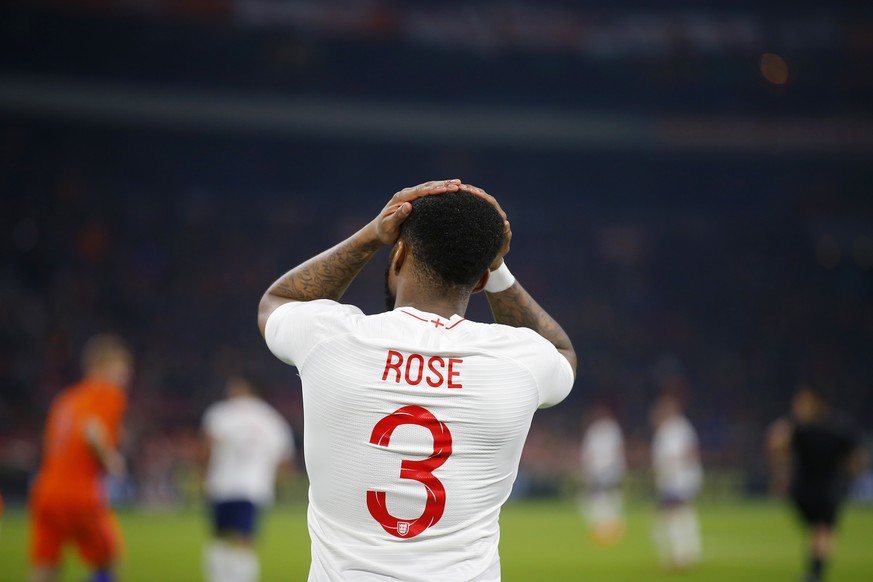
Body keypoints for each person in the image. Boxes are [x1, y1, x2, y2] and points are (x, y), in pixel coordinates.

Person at [258, 179, 576, 581]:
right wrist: (495, 267)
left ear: (399, 255)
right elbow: (562, 354)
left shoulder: (332, 338)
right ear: (480, 281)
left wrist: (372, 234)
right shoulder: (518, 360)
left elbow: (279, 302)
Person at [29, 334, 132, 582]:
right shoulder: (107, 393)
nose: (126, 376)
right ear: (101, 365)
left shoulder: (65, 399)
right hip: (79, 494)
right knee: (109, 559)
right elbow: (92, 430)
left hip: (45, 492)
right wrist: (111, 459)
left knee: (44, 568)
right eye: (122, 368)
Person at [201, 375, 295, 582]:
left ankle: (218, 578)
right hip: (253, 488)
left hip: (222, 484)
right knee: (246, 541)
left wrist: (203, 474)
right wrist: (272, 480)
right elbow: (285, 458)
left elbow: (207, 447)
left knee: (219, 537)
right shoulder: (272, 419)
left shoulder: (221, 413)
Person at [767, 386, 864, 582]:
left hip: (802, 491)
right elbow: (856, 461)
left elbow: (776, 444)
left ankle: (814, 571)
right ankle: (816, 572)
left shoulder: (799, 429)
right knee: (824, 530)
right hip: (827, 490)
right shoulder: (840, 428)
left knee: (818, 530)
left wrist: (780, 474)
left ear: (815, 404)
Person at [650, 393, 703, 571]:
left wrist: (674, 473)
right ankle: (686, 553)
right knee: (677, 515)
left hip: (678, 479)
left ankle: (682, 555)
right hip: (673, 479)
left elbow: (686, 454)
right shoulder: (671, 428)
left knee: (672, 516)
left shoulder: (677, 428)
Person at [580, 405, 626, 546]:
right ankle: (605, 529)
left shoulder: (610, 428)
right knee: (598, 501)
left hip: (606, 470)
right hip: (601, 471)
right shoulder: (597, 429)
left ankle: (609, 529)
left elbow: (616, 450)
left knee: (604, 500)